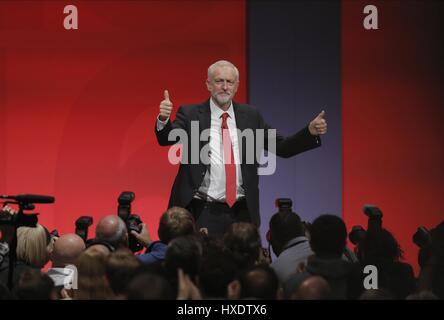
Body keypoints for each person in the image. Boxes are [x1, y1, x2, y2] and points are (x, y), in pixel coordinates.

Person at [155, 60, 327, 236]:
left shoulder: (251, 116)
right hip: (201, 211)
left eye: (229, 82)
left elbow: (282, 147)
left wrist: (309, 132)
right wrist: (163, 119)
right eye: (219, 81)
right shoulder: (190, 113)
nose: (224, 87)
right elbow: (167, 138)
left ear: (236, 86)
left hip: (241, 213)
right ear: (208, 84)